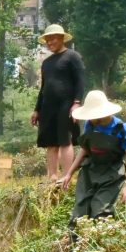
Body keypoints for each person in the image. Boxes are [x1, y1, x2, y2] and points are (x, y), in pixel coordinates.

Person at [60, 90, 126, 224]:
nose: (89, 118)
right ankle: (76, 242)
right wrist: (69, 174)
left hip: (111, 174)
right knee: (79, 214)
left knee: (101, 212)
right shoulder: (90, 125)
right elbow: (84, 150)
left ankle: (101, 242)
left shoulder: (121, 128)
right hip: (89, 171)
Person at [32, 24, 86, 182]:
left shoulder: (73, 56)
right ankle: (52, 176)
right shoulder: (46, 63)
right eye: (47, 40)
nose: (50, 43)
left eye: (53, 39)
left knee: (64, 140)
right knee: (50, 142)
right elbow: (43, 88)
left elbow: (80, 81)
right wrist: (37, 110)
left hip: (66, 105)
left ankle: (66, 176)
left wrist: (77, 102)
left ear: (62, 38)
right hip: (48, 107)